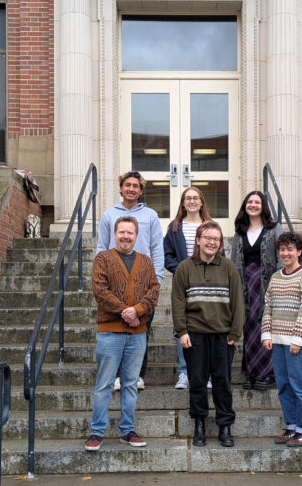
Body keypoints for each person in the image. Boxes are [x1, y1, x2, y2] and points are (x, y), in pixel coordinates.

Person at [85, 216, 160, 452]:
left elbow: (154, 290)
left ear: (136, 236)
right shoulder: (103, 259)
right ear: (115, 234)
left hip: (137, 334)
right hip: (110, 333)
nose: (126, 236)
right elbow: (100, 290)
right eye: (122, 232)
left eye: (130, 232)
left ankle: (127, 430)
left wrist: (137, 311)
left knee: (130, 384)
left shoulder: (146, 262)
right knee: (104, 384)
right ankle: (97, 432)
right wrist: (125, 312)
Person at [171, 221, 244, 448]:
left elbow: (238, 302)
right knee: (197, 382)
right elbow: (177, 302)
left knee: (222, 382)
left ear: (221, 243)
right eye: (208, 238)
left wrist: (235, 331)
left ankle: (225, 426)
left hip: (223, 336)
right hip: (195, 335)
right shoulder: (185, 267)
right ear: (198, 240)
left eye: (216, 239)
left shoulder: (229, 267)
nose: (212, 242)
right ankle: (199, 424)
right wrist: (181, 331)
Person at [97, 170, 164, 390]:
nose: (131, 189)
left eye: (135, 186)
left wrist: (158, 277)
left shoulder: (151, 216)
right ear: (121, 188)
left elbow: (157, 248)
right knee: (117, 327)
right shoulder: (108, 215)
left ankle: (137, 375)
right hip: (115, 280)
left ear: (141, 190)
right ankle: (117, 375)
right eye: (127, 185)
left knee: (141, 327)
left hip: (143, 281)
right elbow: (101, 246)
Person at [261, 231, 302, 447]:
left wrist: (298, 339)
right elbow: (269, 306)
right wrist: (267, 334)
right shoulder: (276, 277)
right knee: (284, 385)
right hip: (278, 341)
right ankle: (292, 426)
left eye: (290, 249)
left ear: (299, 251)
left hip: (298, 343)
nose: (286, 253)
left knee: (300, 386)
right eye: (282, 249)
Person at [231, 191, 282, 391]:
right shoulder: (239, 232)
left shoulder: (274, 228)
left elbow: (280, 256)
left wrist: (278, 281)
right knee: (249, 326)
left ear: (263, 206)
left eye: (257, 202)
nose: (253, 205)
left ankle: (267, 373)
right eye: (249, 202)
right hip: (245, 286)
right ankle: (252, 372)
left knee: (265, 325)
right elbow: (235, 260)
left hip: (266, 284)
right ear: (244, 205)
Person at [163, 186, 213, 390]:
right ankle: (184, 372)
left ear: (201, 202)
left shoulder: (210, 226)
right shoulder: (175, 227)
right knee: (181, 327)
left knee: (207, 327)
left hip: (208, 283)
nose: (192, 201)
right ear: (183, 203)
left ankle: (205, 374)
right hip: (183, 283)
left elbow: (220, 253)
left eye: (195, 198)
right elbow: (167, 256)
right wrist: (182, 270)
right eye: (188, 198)